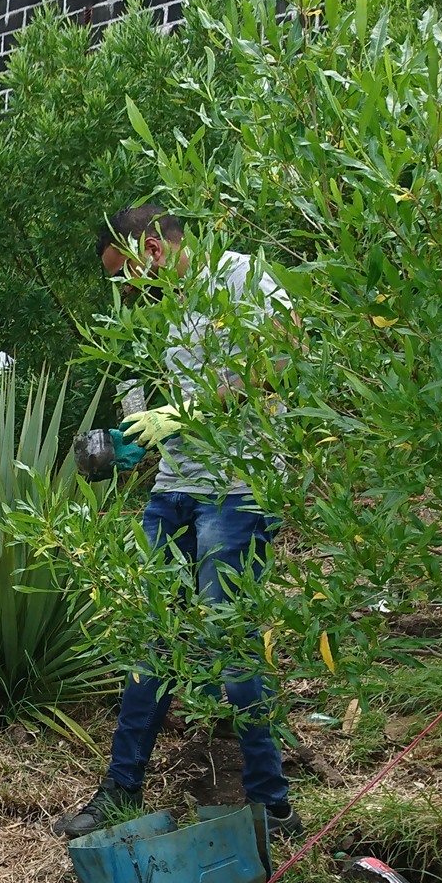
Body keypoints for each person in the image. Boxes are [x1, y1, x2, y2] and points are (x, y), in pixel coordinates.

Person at [54, 205, 303, 842]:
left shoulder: (236, 274)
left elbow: (280, 358)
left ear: (152, 251)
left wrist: (186, 411)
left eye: (127, 278)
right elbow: (173, 410)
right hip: (175, 491)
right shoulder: (164, 315)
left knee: (230, 645)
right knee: (148, 639)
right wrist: (137, 439)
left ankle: (270, 807)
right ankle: (119, 793)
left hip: (235, 490)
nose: (128, 294)